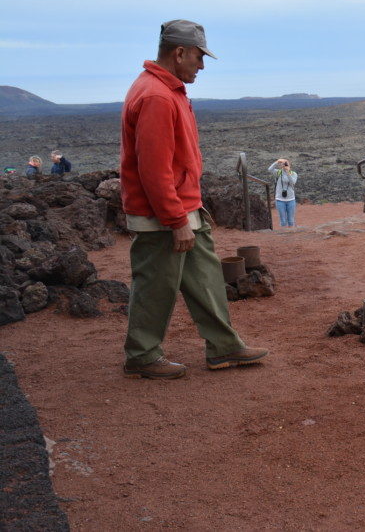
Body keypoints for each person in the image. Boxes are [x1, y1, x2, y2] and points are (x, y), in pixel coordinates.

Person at [120, 19, 267, 380]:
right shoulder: (155, 95)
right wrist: (175, 220)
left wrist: (188, 210)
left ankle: (224, 346)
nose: (201, 65)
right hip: (164, 216)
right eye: (199, 57)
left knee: (205, 278)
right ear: (180, 52)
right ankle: (141, 355)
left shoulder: (168, 91)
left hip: (184, 207)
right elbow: (154, 170)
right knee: (156, 284)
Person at [268, 158, 298, 227]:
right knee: (283, 221)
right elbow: (270, 169)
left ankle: (291, 234)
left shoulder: (293, 174)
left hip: (291, 200)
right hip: (280, 200)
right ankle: (284, 234)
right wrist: (277, 162)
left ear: (290, 165)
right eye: (284, 164)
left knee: (291, 220)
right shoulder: (278, 172)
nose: (285, 165)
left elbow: (292, 183)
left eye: (286, 164)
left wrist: (287, 173)